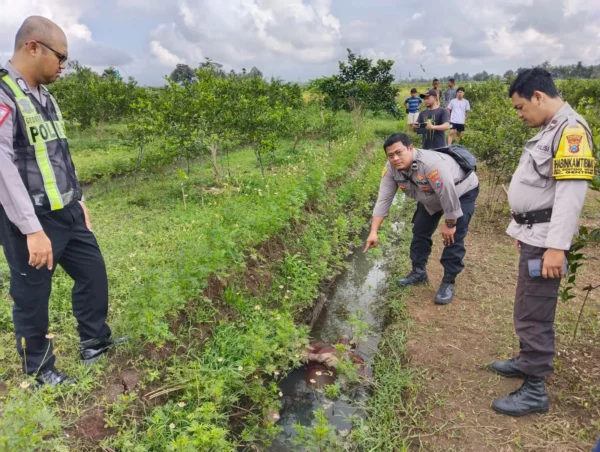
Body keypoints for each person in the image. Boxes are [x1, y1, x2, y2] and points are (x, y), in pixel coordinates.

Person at [0, 16, 126, 386]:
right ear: (32, 47)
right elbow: (2, 166)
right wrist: (31, 229)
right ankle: (40, 371)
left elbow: (59, 154)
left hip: (67, 211)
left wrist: (79, 199)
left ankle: (94, 342)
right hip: (32, 219)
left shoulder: (46, 97)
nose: (64, 67)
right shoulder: (4, 95)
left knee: (93, 274)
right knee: (32, 295)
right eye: (61, 57)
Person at [490, 68, 595, 416]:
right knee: (525, 305)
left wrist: (556, 247)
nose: (520, 115)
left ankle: (535, 389)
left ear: (538, 96)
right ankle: (526, 360)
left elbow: (569, 195)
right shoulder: (552, 128)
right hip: (534, 235)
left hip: (547, 240)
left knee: (535, 313)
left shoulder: (572, 131)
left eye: (520, 107)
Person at [364, 133, 479, 304]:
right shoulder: (391, 169)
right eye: (390, 155)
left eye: (399, 152)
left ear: (410, 148)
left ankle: (448, 281)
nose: (395, 158)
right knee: (420, 231)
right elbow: (384, 199)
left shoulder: (431, 165)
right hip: (430, 199)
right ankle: (418, 272)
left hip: (460, 193)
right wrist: (373, 231)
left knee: (453, 237)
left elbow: (447, 194)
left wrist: (450, 223)